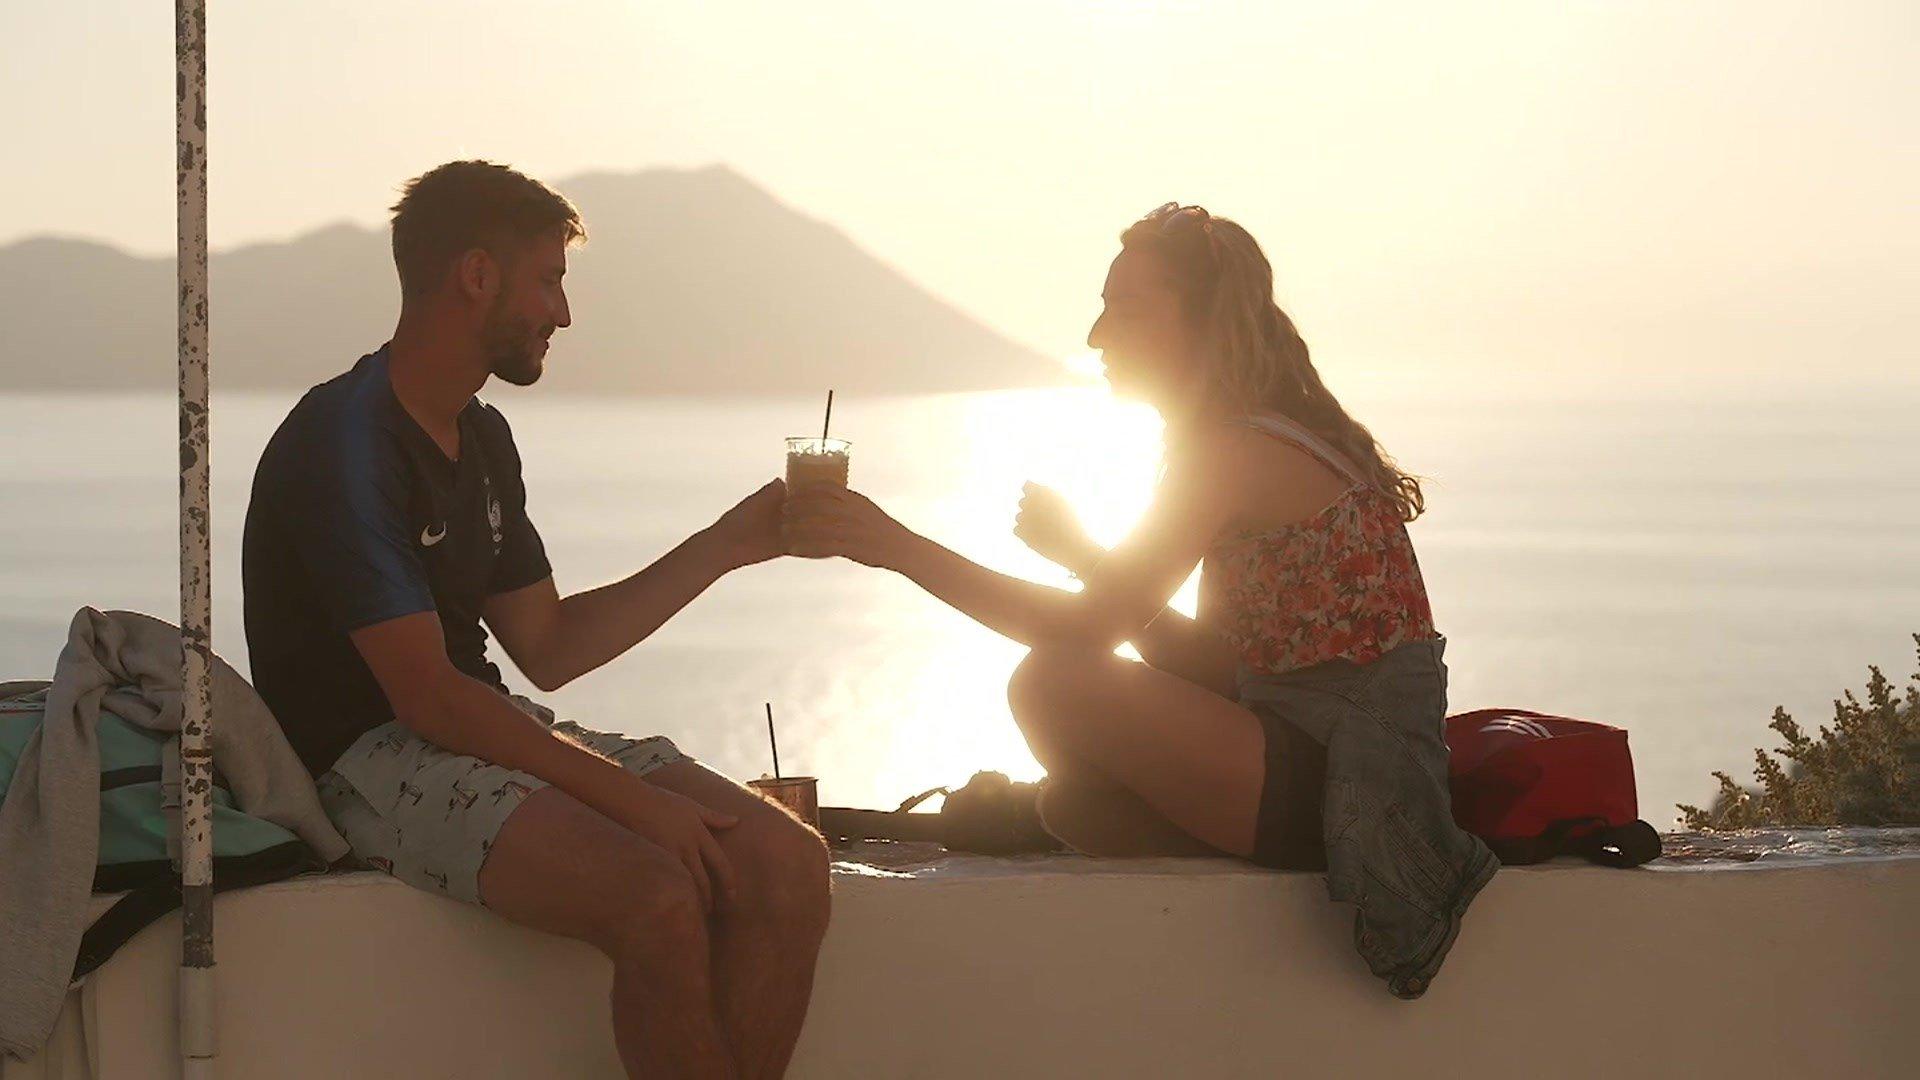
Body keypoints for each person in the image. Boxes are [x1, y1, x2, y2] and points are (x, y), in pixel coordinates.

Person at [784, 202, 1497, 998]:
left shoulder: (1232, 450)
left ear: (1199, 322)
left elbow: (1091, 635)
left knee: (1050, 683)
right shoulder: (1252, 437)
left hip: (1351, 792)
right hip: (1320, 764)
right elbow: (1225, 666)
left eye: (1125, 306)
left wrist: (896, 547)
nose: (1096, 334)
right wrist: (1090, 557)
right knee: (1075, 801)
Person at [242, 160, 828, 1078]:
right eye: (551, 280)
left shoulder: (480, 437)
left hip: (484, 730)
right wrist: (637, 802)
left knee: (786, 863)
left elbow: (549, 647)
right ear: (477, 274)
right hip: (367, 759)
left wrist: (729, 543)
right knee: (658, 894)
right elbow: (428, 697)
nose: (563, 313)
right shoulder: (344, 441)